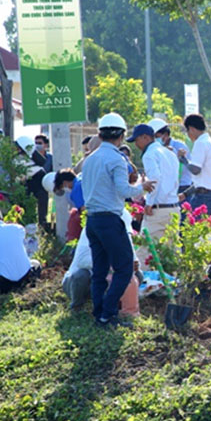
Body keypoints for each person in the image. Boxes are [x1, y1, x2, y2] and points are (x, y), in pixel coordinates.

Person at [82, 113, 156, 329]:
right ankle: (108, 313)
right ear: (122, 136)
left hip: (92, 220)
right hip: (110, 219)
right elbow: (125, 191)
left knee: (99, 270)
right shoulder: (117, 159)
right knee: (124, 269)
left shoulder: (90, 159)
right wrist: (142, 187)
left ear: (100, 134)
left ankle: (99, 314)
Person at [126, 123, 180, 268]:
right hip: (173, 207)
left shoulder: (149, 154)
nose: (136, 144)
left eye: (137, 140)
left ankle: (142, 281)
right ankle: (174, 281)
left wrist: (149, 203)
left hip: (157, 208)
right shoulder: (169, 153)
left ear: (145, 137)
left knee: (145, 250)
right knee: (172, 252)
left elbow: (155, 179)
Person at [62, 209, 138, 310]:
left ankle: (118, 305)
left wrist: (133, 264)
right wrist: (115, 263)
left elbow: (133, 259)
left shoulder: (124, 236)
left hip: (105, 282)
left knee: (138, 275)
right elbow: (82, 262)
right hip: (81, 282)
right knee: (81, 275)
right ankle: (77, 306)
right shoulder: (90, 231)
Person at [184, 113, 211, 216]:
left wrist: (184, 160)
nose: (187, 134)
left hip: (204, 196)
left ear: (191, 129)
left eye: (187, 131)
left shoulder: (200, 143)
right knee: (208, 225)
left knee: (193, 224)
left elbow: (196, 170)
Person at [151, 119, 192, 193]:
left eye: (157, 136)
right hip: (166, 187)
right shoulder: (156, 148)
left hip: (182, 186)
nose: (155, 139)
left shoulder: (180, 147)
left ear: (166, 134)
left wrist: (176, 157)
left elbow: (187, 168)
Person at [42, 169, 83, 241]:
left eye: (62, 187)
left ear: (64, 183)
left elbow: (83, 210)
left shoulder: (76, 190)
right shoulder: (81, 177)